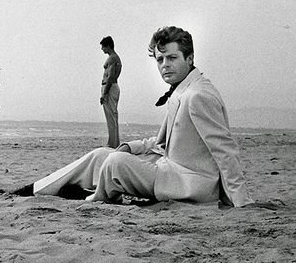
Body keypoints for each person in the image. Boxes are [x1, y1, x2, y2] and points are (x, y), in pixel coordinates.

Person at [13, 26, 253, 208]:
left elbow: (225, 150)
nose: (164, 66)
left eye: (172, 58)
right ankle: (35, 189)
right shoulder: (183, 89)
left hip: (188, 184)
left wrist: (242, 201)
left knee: (115, 162)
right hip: (166, 168)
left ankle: (93, 197)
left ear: (189, 58)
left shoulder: (199, 95)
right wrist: (132, 146)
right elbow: (162, 143)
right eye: (160, 60)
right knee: (101, 155)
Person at [100, 36, 122, 148]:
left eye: (103, 46)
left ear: (108, 46)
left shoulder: (112, 58)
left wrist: (104, 94)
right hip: (113, 86)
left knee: (111, 117)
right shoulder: (115, 58)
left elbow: (110, 76)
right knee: (113, 116)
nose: (102, 49)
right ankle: (114, 142)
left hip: (110, 87)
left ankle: (112, 144)